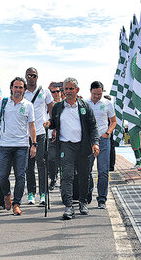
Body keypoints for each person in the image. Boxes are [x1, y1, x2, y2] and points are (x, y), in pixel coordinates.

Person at [48, 77, 99, 220]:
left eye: (71, 88)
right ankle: (68, 206)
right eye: (66, 89)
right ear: (63, 91)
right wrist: (49, 124)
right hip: (66, 146)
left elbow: (93, 126)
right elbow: (54, 122)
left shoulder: (84, 106)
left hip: (83, 146)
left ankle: (83, 202)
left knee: (84, 176)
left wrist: (95, 143)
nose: (68, 91)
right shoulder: (58, 107)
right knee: (67, 176)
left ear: (77, 90)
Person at [0, 77, 36, 216]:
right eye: (16, 87)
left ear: (24, 90)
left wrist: (34, 144)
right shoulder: (3, 103)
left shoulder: (28, 105)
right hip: (5, 145)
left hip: (22, 145)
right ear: (11, 88)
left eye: (21, 87)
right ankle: (7, 195)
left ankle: (17, 204)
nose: (18, 90)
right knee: (3, 176)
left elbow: (32, 126)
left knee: (20, 176)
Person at [24, 68, 53, 205]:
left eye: (34, 75)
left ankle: (43, 192)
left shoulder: (44, 91)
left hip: (41, 132)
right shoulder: (21, 91)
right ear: (26, 76)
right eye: (29, 75)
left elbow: (51, 107)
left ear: (37, 77)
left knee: (41, 163)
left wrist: (52, 124)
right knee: (29, 165)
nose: (31, 78)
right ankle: (31, 193)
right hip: (25, 133)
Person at [86, 81, 116, 209]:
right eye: (95, 94)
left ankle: (102, 198)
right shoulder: (84, 104)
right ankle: (88, 192)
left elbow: (113, 121)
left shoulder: (107, 104)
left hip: (103, 140)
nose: (97, 96)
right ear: (90, 91)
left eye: (99, 94)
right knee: (86, 170)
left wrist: (108, 133)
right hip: (88, 140)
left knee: (103, 171)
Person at [47, 82, 62, 190]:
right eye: (53, 92)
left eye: (58, 91)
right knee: (51, 159)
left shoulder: (65, 104)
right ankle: (53, 177)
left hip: (64, 137)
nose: (56, 93)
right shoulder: (48, 105)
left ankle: (64, 181)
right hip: (50, 137)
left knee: (63, 160)